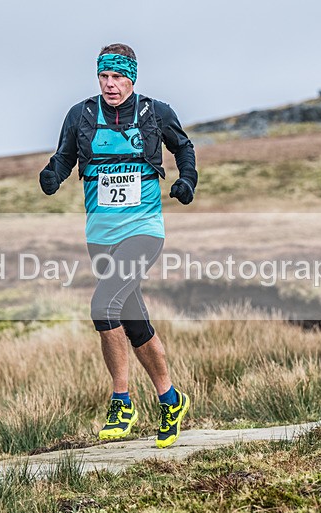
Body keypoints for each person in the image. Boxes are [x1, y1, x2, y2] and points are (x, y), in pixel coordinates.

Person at [38, 43, 197, 448]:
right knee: (133, 319)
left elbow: (184, 147)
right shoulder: (81, 115)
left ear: (131, 77)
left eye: (116, 77)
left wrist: (187, 180)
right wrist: (52, 175)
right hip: (100, 235)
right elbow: (65, 156)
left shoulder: (155, 112)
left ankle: (121, 400)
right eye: (103, 77)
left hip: (143, 230)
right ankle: (170, 398)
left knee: (102, 306)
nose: (109, 85)